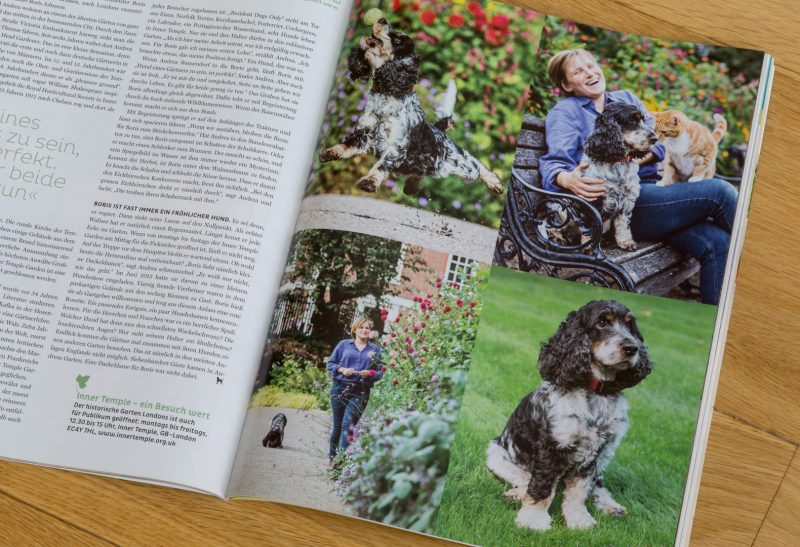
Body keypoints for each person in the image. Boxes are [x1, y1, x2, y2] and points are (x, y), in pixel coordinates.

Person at [539, 48, 738, 305]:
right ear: (566, 84)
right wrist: (567, 180)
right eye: (578, 71)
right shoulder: (566, 113)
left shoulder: (625, 98)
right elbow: (555, 164)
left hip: (651, 193)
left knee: (718, 242)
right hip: (618, 202)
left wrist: (633, 156)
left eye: (591, 65)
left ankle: (720, 329)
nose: (589, 73)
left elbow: (656, 142)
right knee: (719, 192)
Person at [326, 317, 382, 461]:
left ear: (370, 331)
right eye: (361, 327)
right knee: (338, 426)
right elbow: (330, 364)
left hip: (361, 391)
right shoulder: (343, 345)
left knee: (348, 425)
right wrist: (342, 369)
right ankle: (332, 458)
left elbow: (380, 371)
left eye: (367, 328)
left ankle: (340, 461)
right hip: (339, 388)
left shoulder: (375, 350)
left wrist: (370, 373)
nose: (364, 330)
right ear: (354, 330)